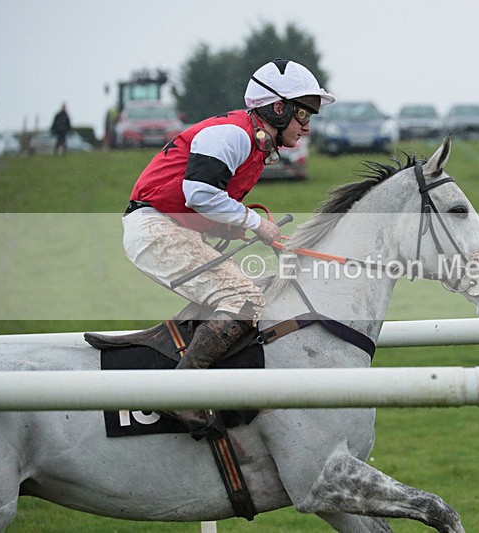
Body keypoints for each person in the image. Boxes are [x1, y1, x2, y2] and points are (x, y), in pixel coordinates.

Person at [122, 59, 335, 434]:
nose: (307, 125)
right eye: (304, 113)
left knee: (245, 295)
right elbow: (199, 191)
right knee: (244, 299)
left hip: (169, 227)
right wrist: (255, 223)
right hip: (154, 228)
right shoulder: (234, 134)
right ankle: (180, 396)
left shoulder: (251, 140)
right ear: (278, 108)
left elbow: (198, 199)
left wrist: (229, 224)